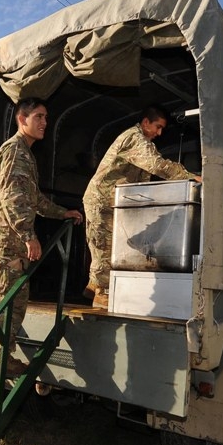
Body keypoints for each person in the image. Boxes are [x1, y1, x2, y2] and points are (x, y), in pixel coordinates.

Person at [0, 98, 84, 376]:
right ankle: (1, 360)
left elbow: (34, 198)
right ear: (21, 120)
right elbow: (14, 198)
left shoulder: (25, 153)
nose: (44, 123)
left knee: (10, 296)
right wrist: (28, 235)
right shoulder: (15, 151)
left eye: (46, 117)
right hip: (8, 239)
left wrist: (63, 213)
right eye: (38, 117)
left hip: (9, 238)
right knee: (10, 299)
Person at [82, 105, 201, 309]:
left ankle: (95, 286)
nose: (159, 133)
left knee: (110, 248)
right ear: (146, 122)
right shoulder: (134, 138)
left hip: (115, 202)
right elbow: (156, 166)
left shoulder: (145, 143)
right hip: (101, 200)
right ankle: (101, 295)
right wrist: (191, 176)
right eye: (157, 127)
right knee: (105, 247)